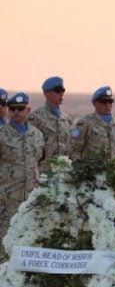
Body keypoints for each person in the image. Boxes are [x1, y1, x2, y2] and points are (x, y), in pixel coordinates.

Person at [0, 92, 44, 258]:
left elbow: (39, 161)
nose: (16, 112)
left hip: (30, 201)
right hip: (6, 202)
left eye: (20, 108)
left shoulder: (37, 135)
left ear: (28, 110)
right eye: (12, 109)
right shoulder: (2, 135)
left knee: (29, 244)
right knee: (4, 248)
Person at [69, 86, 115, 160]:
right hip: (93, 170)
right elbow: (75, 150)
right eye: (104, 102)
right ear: (95, 103)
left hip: (114, 170)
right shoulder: (86, 123)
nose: (107, 105)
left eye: (110, 101)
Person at [28, 76, 72, 169]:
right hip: (44, 172)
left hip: (64, 173)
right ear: (46, 93)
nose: (61, 93)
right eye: (57, 90)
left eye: (62, 90)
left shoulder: (66, 119)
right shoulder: (35, 118)